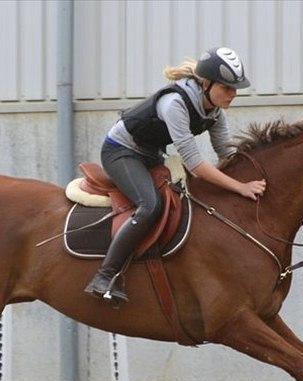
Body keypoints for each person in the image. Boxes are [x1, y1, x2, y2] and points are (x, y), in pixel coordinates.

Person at [85, 47, 266, 303]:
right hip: (120, 152)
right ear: (206, 83)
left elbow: (226, 154)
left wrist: (254, 175)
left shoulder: (214, 112)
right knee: (151, 206)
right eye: (227, 88)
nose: (233, 95)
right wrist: (240, 187)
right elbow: (195, 165)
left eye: (235, 89)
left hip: (149, 154)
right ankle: (105, 275)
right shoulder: (175, 103)